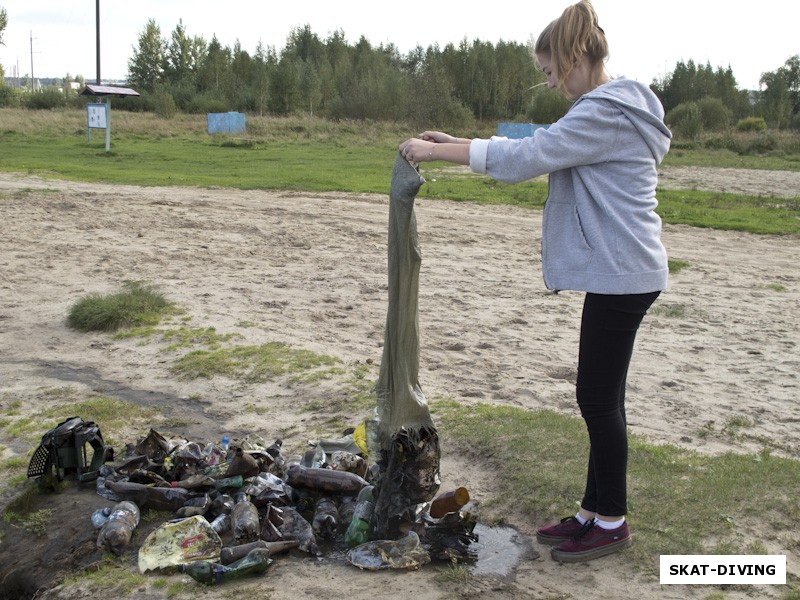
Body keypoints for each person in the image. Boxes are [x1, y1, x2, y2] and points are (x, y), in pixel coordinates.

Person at [399, 0, 671, 563]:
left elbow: (529, 155)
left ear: (574, 57)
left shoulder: (605, 112)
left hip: (624, 273)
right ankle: (592, 513)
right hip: (624, 271)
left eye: (550, 72)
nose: (549, 83)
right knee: (602, 397)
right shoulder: (609, 109)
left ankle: (612, 520)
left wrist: (437, 152)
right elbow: (542, 144)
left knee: (597, 399)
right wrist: (452, 141)